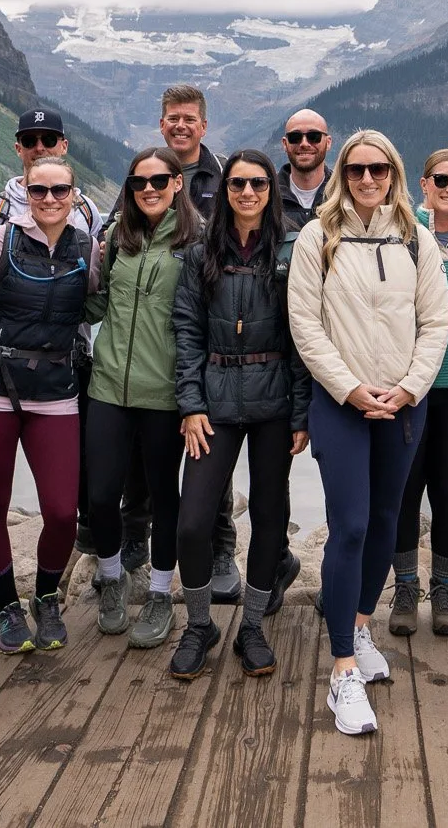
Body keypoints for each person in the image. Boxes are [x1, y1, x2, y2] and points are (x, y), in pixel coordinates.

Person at [289, 129, 448, 736]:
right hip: (342, 403)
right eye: (356, 169)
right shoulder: (317, 237)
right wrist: (352, 389)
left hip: (404, 403)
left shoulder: (415, 237)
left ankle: (360, 622)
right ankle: (342, 670)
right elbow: (305, 325)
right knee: (351, 524)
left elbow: (435, 323)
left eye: (378, 169)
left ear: (394, 173)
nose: (366, 179)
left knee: (388, 520)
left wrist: (408, 387)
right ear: (342, 173)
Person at [168, 149, 309, 680]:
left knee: (270, 518)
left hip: (274, 400)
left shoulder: (293, 252)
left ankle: (252, 626)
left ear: (271, 191)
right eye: (237, 184)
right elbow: (187, 333)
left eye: (257, 184)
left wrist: (301, 413)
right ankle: (199, 625)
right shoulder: (201, 251)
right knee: (192, 522)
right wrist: (191, 405)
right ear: (224, 190)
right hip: (215, 402)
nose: (247, 192)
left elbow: (303, 337)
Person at [0, 155, 93, 657]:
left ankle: (47, 596)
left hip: (56, 390)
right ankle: (9, 606)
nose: (50, 201)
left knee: (61, 511)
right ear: (26, 194)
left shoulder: (87, 249)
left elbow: (98, 304)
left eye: (60, 191)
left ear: (75, 196)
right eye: (39, 191)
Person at [84, 146, 203, 649]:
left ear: (178, 183)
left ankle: (159, 593)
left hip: (164, 393)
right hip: (108, 384)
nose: (148, 189)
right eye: (138, 183)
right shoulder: (116, 238)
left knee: (161, 497)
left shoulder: (196, 242)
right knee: (98, 494)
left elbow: (203, 321)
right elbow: (94, 304)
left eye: (159, 180)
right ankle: (110, 578)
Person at [389, 149, 448, 637]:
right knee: (405, 490)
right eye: (442, 180)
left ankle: (443, 590)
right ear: (423, 183)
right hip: (408, 389)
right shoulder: (398, 236)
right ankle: (406, 587)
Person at [0, 106, 101, 234]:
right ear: (18, 149)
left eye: (49, 140)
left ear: (64, 146)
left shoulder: (86, 209)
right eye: (29, 141)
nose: (39, 148)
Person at [160, 84, 225, 221]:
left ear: (203, 127)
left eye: (189, 119)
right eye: (173, 119)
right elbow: (113, 224)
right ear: (162, 125)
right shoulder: (145, 171)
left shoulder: (224, 170)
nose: (180, 126)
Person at [277, 110, 333, 233]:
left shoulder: (343, 193)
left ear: (328, 143)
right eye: (295, 137)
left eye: (314, 137)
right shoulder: (267, 195)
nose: (304, 143)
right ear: (285, 144)